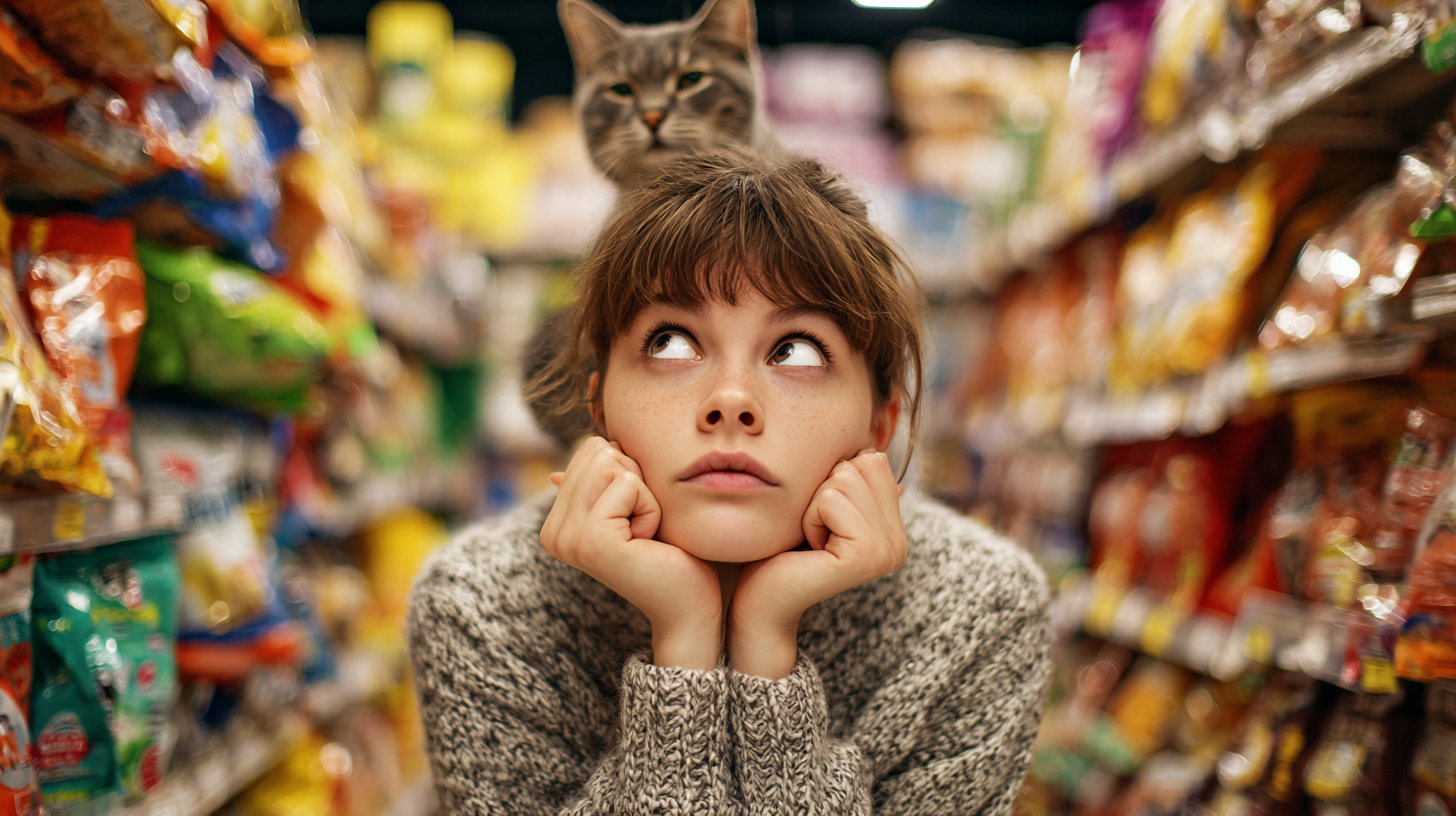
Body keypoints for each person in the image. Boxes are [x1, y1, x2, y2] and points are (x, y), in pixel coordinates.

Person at [407, 150, 1051, 815]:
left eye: (796, 350)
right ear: (598, 406)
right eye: (671, 343)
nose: (732, 400)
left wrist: (766, 643)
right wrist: (685, 645)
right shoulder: (481, 606)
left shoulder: (979, 610)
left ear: (879, 423)